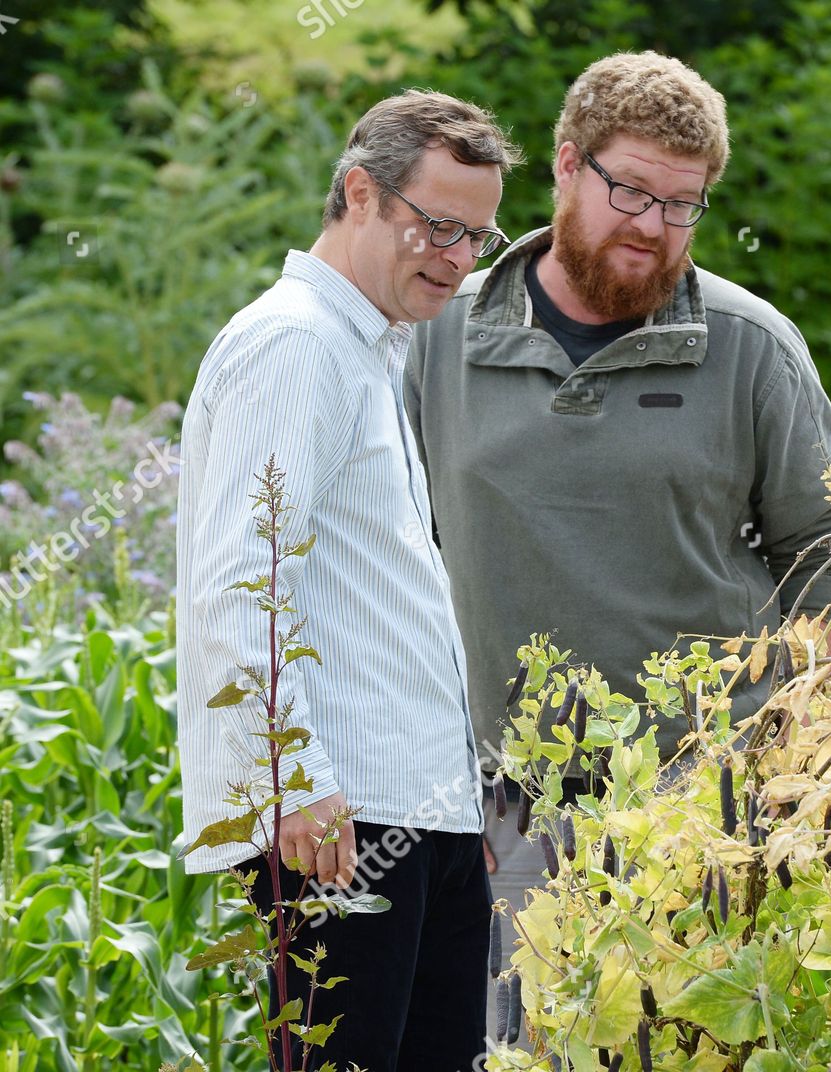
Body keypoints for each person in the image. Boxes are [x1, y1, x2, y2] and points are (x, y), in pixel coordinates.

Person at [404, 51, 831, 902]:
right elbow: (397, 558)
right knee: (512, 1036)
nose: (654, 225)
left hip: (713, 799)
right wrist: (438, 778)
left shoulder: (749, 347)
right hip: (505, 805)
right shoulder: (442, 334)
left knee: (697, 1036)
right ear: (568, 166)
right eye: (633, 193)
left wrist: (800, 767)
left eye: (683, 204)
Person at [177, 89, 519, 1072]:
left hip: (418, 805)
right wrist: (292, 779)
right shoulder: (295, 343)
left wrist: (466, 798)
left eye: (477, 238)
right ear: (359, 194)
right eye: (438, 226)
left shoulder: (370, 350)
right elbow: (240, 576)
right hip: (337, 817)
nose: (457, 258)